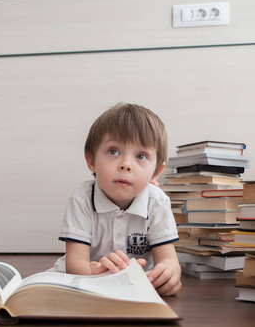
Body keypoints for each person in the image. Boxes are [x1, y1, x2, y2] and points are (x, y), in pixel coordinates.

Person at [54, 103, 182, 296]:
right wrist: (94, 273)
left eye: (141, 156)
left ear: (156, 172)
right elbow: (75, 263)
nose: (125, 165)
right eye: (113, 151)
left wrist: (169, 276)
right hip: (86, 282)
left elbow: (169, 260)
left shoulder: (157, 202)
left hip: (138, 286)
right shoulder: (82, 199)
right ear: (91, 161)